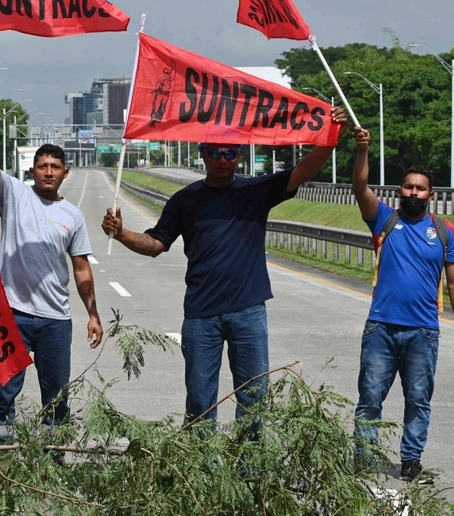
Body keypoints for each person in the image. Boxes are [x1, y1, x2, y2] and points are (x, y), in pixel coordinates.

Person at [102, 108, 346, 431]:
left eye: (229, 152)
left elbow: (302, 170)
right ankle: (202, 471)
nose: (222, 159)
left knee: (255, 399)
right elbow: (156, 244)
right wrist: (121, 234)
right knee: (201, 402)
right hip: (201, 316)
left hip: (249, 312)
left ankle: (249, 472)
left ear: (239, 155)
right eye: (215, 152)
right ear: (203, 154)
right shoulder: (184, 201)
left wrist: (330, 138)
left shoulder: (255, 191)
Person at [0, 108, 103, 446]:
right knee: (2, 394)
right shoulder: (14, 194)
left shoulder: (72, 215)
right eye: (43, 166)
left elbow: (81, 268)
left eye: (55, 168)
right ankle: (0, 458)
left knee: (57, 398)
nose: (48, 172)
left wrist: (93, 314)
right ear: (33, 171)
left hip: (55, 321)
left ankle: (51, 459)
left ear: (65, 173)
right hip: (11, 316)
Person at [350, 126, 454, 483]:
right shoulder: (384, 220)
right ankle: (363, 459)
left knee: (418, 400)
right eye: (408, 187)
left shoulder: (445, 231)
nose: (413, 193)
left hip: (424, 332)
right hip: (381, 327)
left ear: (430, 194)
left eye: (420, 188)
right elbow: (359, 187)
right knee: (370, 397)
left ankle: (411, 461)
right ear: (399, 191)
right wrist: (362, 151)